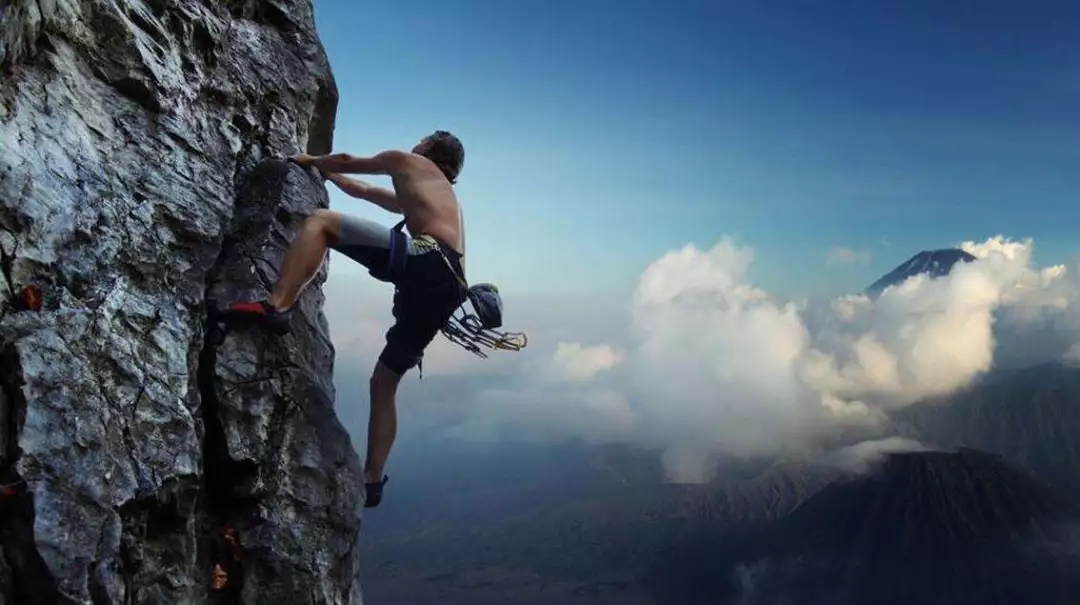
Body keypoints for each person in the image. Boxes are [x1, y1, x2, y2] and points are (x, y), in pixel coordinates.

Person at [221, 130, 467, 508]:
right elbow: (366, 192)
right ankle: (372, 480)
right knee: (384, 382)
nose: (415, 142)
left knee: (321, 222)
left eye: (423, 139)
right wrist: (331, 176)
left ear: (429, 149)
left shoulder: (410, 162)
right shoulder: (435, 194)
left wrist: (311, 160)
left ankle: (278, 306)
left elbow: (352, 160)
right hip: (447, 287)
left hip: (426, 260)